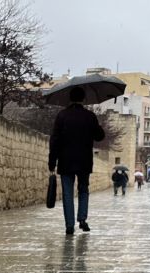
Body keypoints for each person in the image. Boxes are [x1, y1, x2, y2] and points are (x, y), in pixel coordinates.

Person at [49, 87, 105, 237]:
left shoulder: (62, 116)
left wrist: (52, 162)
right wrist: (97, 127)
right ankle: (82, 219)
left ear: (70, 98)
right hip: (84, 161)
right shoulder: (90, 116)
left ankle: (69, 225)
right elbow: (100, 136)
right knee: (83, 190)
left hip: (65, 160)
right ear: (83, 99)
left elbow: (54, 140)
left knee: (68, 193)